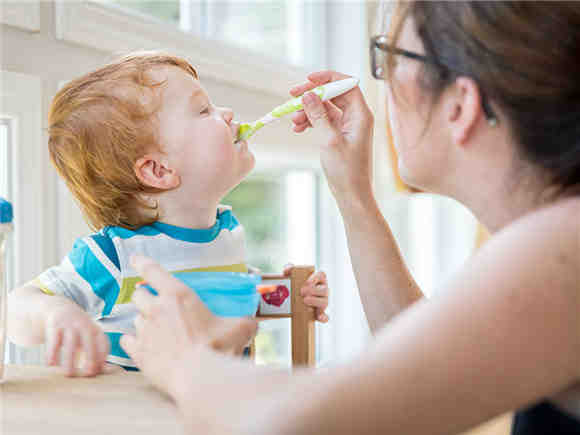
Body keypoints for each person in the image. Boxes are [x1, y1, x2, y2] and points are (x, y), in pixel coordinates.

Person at [120, 1, 580, 434]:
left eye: (392, 59)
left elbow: (298, 421)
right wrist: (352, 189)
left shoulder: (567, 250)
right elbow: (417, 370)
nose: (381, 82)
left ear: (459, 106)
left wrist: (184, 362)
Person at [7, 52, 329, 376]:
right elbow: (14, 311)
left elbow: (229, 305)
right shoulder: (115, 256)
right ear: (159, 170)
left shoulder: (227, 233)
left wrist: (293, 297)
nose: (228, 113)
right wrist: (56, 314)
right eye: (204, 110)